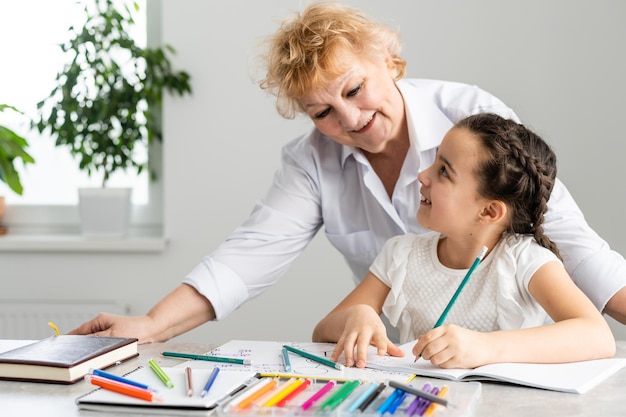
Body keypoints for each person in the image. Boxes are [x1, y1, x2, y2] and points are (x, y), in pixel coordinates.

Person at [69, 2, 626, 343]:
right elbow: (249, 255)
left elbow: (571, 242)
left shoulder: (470, 118)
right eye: (322, 112)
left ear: (391, 61)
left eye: (355, 89)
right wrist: (152, 324)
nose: (352, 118)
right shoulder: (312, 160)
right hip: (421, 369)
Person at [312, 113, 616, 369]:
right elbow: (322, 331)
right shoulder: (400, 255)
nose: (422, 175)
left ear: (488, 211)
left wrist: (485, 348)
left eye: (444, 171)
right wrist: (357, 315)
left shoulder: (524, 261)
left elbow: (597, 336)